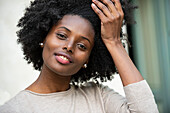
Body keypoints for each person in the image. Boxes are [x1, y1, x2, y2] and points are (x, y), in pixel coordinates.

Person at [0, 0, 159, 112]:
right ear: (43, 38)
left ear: (88, 58)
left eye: (82, 46)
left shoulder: (98, 96)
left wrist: (113, 41)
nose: (69, 47)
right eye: (62, 35)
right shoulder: (13, 109)